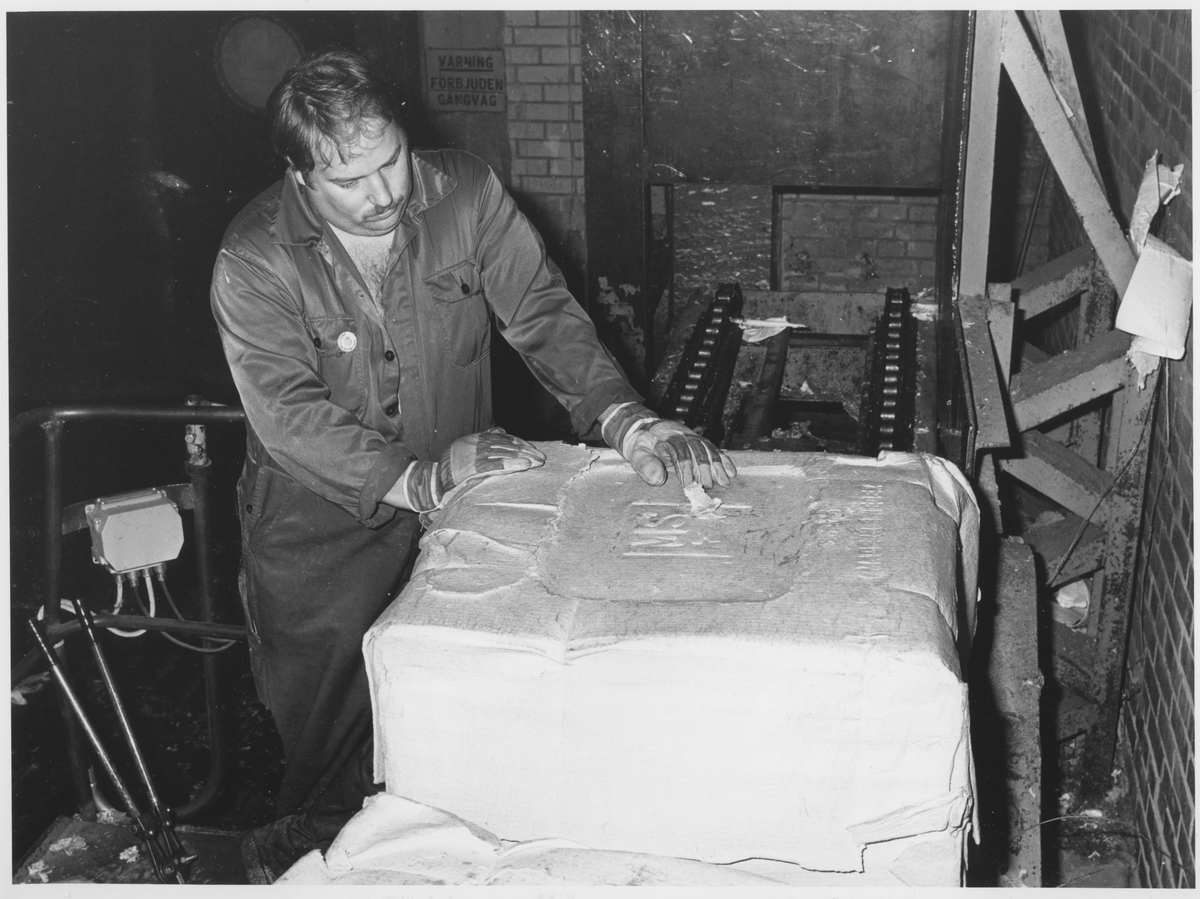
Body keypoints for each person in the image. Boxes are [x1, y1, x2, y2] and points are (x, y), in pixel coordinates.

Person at [210, 49, 735, 879]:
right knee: (330, 740)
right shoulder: (254, 259)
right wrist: (420, 478)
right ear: (300, 176)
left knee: (459, 708)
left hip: (461, 501)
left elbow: (542, 311)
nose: (383, 194)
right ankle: (316, 859)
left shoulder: (464, 193)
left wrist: (624, 417)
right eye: (350, 181)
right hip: (319, 527)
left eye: (392, 161)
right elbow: (291, 417)